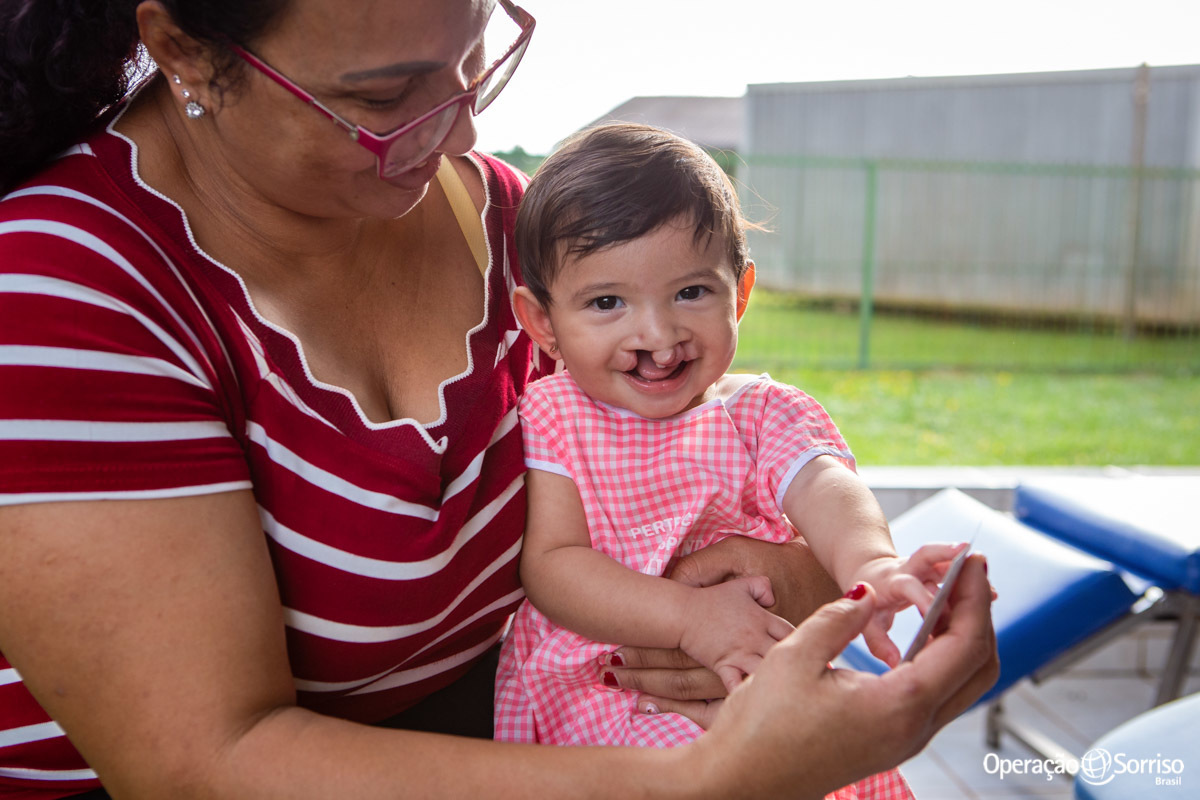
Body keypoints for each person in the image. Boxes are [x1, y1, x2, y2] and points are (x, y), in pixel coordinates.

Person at [0, 0, 999, 797]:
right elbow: (197, 764)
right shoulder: (58, 291)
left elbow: (683, 462)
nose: (466, 126)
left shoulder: (510, 228)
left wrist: (790, 582)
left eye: (475, 56)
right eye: (386, 96)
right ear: (179, 46)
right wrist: (700, 777)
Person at [494, 124, 959, 798]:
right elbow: (554, 566)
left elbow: (826, 486)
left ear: (739, 294)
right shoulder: (555, 415)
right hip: (611, 687)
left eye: (690, 293)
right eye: (607, 303)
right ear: (543, 324)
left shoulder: (760, 414)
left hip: (756, 675)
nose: (656, 333)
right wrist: (688, 618)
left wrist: (871, 568)